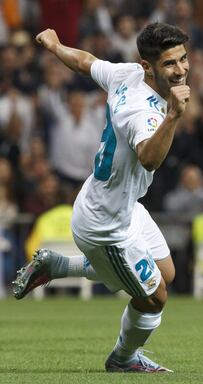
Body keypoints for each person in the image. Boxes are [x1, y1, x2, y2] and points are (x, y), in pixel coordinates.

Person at [12, 22, 190, 373]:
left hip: (121, 206)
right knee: (154, 297)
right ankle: (123, 359)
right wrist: (173, 116)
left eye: (183, 59)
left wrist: (55, 45)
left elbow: (86, 61)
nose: (181, 69)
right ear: (148, 66)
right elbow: (149, 157)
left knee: (164, 271)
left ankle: (58, 265)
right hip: (106, 225)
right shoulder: (144, 111)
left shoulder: (126, 74)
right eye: (170, 64)